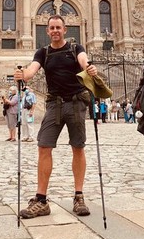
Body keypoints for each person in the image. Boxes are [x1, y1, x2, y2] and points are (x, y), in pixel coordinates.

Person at [14, 14, 97, 219]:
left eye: (58, 27)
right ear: (47, 30)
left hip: (76, 103)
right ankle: (41, 200)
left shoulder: (75, 48)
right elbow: (32, 70)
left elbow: (83, 60)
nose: (55, 31)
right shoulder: (43, 52)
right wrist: (22, 74)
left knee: (78, 147)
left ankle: (79, 196)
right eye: (51, 28)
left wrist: (89, 67)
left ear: (65, 29)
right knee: (44, 146)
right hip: (54, 104)